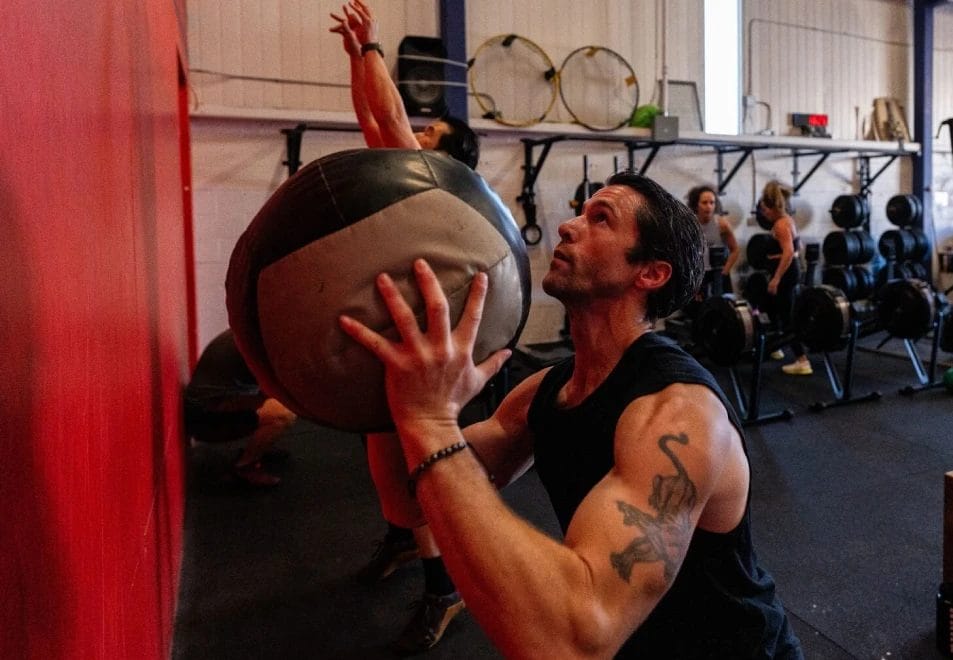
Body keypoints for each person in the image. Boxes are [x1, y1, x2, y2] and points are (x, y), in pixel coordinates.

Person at [339, 171, 804, 658]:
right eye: (580, 211)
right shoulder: (547, 390)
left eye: (599, 219)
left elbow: (574, 642)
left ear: (650, 273)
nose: (568, 225)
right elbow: (411, 501)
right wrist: (391, 395)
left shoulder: (678, 416)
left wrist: (432, 424)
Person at [330, 1, 478, 652]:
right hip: (403, 334)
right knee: (378, 450)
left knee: (414, 470)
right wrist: (357, 62)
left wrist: (371, 49)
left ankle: (444, 591)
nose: (417, 139)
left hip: (435, 350)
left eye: (430, 138)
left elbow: (389, 118)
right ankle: (399, 537)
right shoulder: (407, 173)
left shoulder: (437, 185)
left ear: (446, 158)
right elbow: (372, 119)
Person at [184, 330, 297, 487]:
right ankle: (246, 467)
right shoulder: (259, 345)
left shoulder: (252, 333)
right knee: (283, 413)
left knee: (281, 401)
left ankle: (261, 446)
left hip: (212, 405)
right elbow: (267, 393)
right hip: (205, 419)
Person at [759, 180, 812, 375]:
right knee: (770, 308)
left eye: (764, 207)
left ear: (772, 207)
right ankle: (776, 347)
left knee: (787, 315)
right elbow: (799, 247)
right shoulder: (787, 220)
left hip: (785, 273)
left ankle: (802, 360)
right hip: (789, 271)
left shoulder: (781, 225)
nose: (763, 212)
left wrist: (776, 278)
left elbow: (789, 252)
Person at [687, 184, 739, 296]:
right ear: (697, 205)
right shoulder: (691, 225)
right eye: (704, 203)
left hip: (718, 273)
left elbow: (735, 250)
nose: (709, 206)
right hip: (699, 274)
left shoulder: (722, 224)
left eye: (712, 202)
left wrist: (725, 272)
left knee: (719, 306)